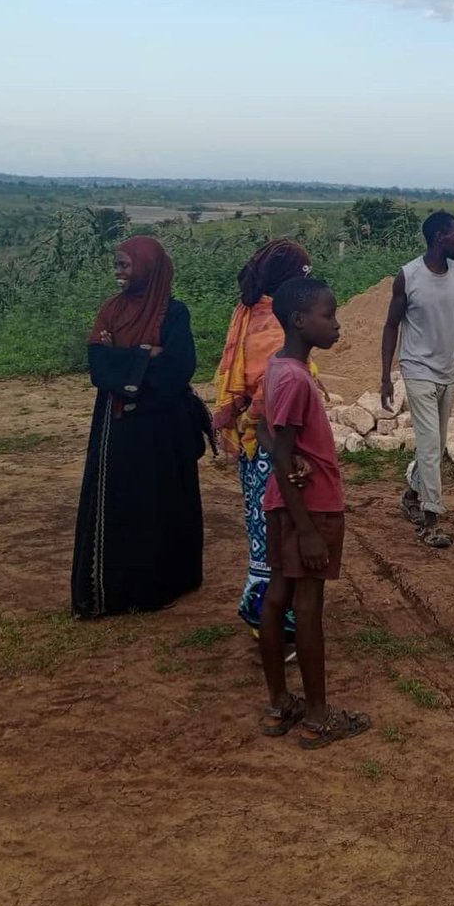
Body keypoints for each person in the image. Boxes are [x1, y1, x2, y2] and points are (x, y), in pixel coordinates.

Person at [257, 275, 370, 749]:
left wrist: (291, 456)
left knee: (278, 597)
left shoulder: (277, 368)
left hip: (284, 504)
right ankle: (319, 716)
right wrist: (307, 530)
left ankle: (280, 703)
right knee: (307, 606)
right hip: (310, 508)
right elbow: (279, 452)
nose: (338, 324)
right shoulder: (297, 380)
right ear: (300, 320)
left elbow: (266, 435)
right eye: (329, 315)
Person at [71, 236, 210, 618]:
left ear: (148, 268)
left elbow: (179, 368)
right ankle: (121, 590)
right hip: (121, 427)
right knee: (123, 503)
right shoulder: (110, 310)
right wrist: (148, 355)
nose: (117, 273)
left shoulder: (174, 313)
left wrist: (129, 360)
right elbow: (100, 368)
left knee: (164, 502)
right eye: (116, 265)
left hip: (165, 430)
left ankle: (169, 581)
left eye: (124, 265)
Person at [213, 238, 317, 636]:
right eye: (305, 275)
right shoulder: (276, 326)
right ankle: (270, 616)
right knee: (279, 526)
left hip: (255, 443)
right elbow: (268, 392)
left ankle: (268, 610)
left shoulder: (248, 312)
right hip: (273, 444)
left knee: (263, 526)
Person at [379, 211, 454, 548]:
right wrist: (385, 376)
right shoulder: (408, 277)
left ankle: (412, 494)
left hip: (449, 369)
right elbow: (391, 326)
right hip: (417, 368)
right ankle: (430, 521)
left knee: (434, 445)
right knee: (429, 445)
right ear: (440, 237)